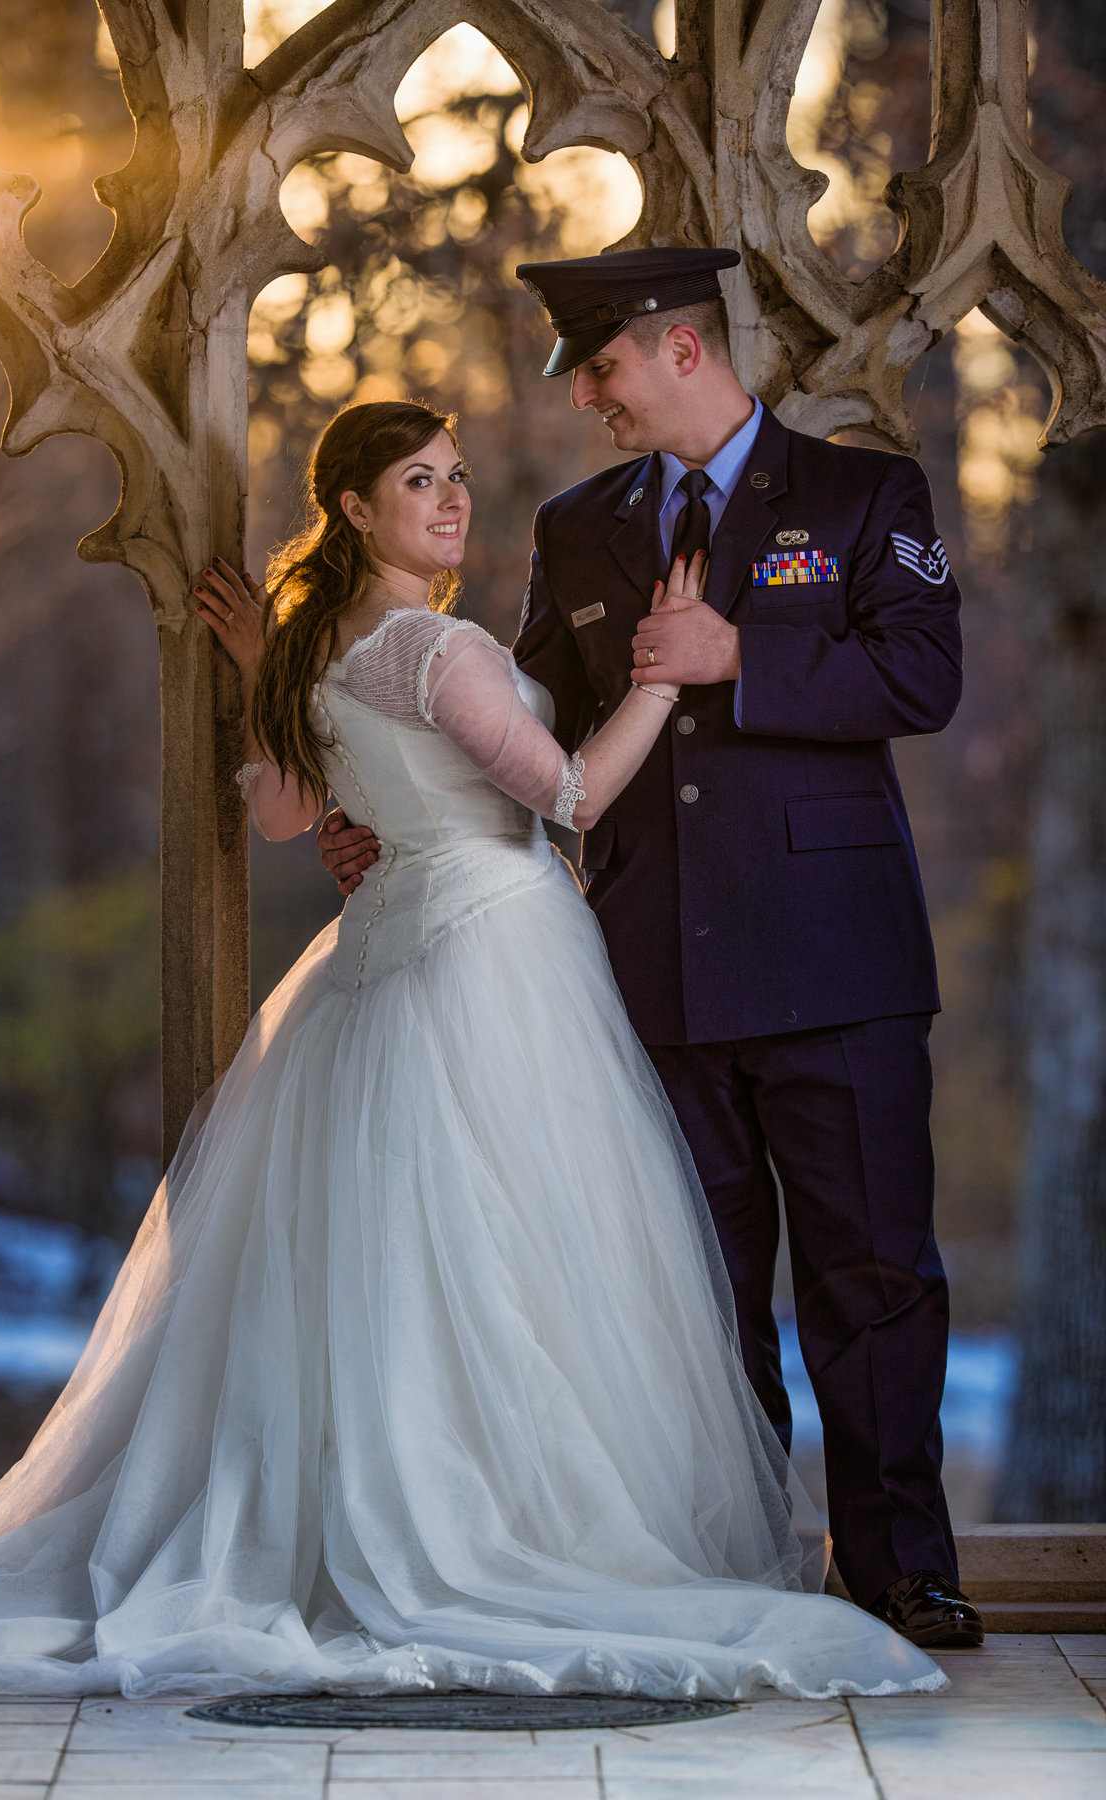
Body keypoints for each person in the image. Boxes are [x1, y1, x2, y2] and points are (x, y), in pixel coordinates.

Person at [0, 401, 946, 1702]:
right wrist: (663, 683)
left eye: (455, 477)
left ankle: (386, 1517)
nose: (451, 502)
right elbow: (565, 796)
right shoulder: (431, 643)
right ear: (352, 508)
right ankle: (503, 1528)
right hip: (492, 948)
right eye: (418, 482)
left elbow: (289, 813)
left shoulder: (311, 651)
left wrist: (269, 678)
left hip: (383, 962)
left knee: (404, 1265)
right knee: (525, 1260)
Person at [319, 251, 984, 1652]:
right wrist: (382, 808)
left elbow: (922, 676)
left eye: (600, 366)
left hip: (835, 965)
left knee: (872, 1278)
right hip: (648, 971)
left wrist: (743, 656)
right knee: (694, 1297)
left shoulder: (867, 498)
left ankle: (902, 1569)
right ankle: (729, 1561)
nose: (583, 392)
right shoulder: (578, 528)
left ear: (680, 348)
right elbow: (520, 709)